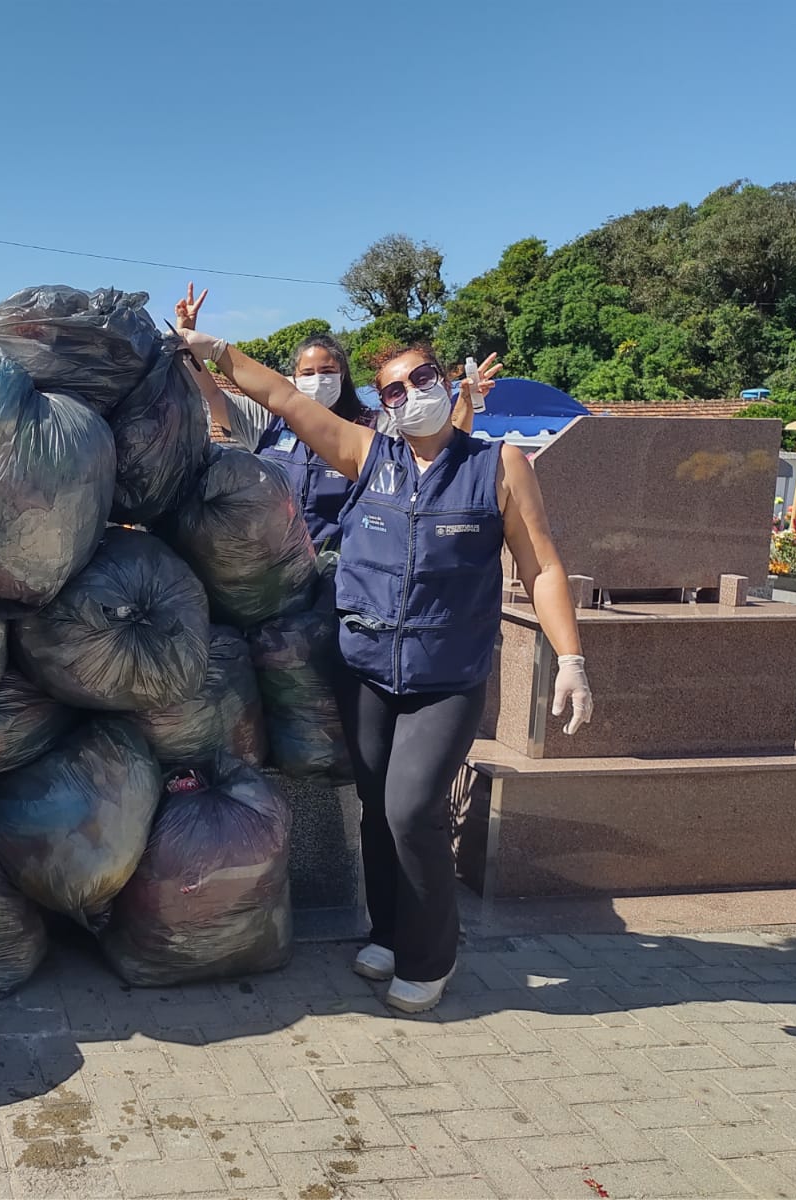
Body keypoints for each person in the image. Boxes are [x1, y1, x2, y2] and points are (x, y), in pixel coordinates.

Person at [175, 309, 594, 1014]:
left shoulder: (498, 467)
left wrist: (572, 659)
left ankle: (432, 955)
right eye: (393, 390)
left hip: (446, 676)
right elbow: (283, 399)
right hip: (366, 665)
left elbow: (542, 564)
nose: (409, 395)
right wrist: (218, 351)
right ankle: (391, 930)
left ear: (444, 380)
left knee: (411, 810)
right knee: (375, 807)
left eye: (420, 378)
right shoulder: (372, 456)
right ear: (385, 405)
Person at [176, 284, 501, 550]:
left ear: (343, 374)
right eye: (309, 372)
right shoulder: (268, 422)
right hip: (271, 568)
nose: (318, 379)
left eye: (328, 371)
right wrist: (188, 344)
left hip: (342, 575)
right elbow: (214, 396)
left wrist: (466, 403)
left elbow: (439, 450)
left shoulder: (373, 429)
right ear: (293, 377)